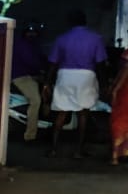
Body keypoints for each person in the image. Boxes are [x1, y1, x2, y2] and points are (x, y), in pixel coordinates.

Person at [46, 9, 108, 158]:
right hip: (86, 76)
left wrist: (47, 82)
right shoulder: (96, 38)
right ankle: (78, 151)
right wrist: (104, 83)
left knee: (62, 112)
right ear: (85, 21)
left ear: (70, 22)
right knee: (83, 113)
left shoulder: (62, 38)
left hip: (65, 75)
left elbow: (53, 63)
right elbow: (101, 63)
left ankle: (53, 149)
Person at [10, 21, 44, 143]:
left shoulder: (32, 45)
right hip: (21, 76)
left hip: (28, 75)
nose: (32, 34)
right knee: (36, 101)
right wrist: (41, 69)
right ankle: (30, 135)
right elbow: (31, 62)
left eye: (34, 32)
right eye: (30, 32)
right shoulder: (23, 45)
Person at [110, 48, 128, 165]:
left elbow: (125, 70)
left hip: (125, 93)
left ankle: (115, 156)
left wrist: (115, 88)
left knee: (119, 121)